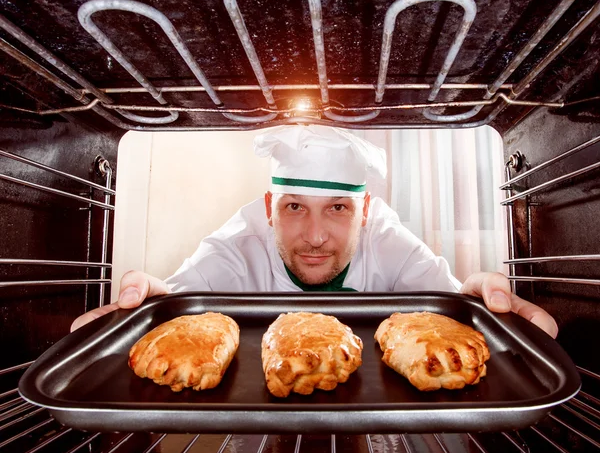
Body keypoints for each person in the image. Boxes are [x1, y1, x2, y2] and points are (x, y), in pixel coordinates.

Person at [71, 125, 558, 338]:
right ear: (268, 207)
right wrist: (148, 308)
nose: (316, 235)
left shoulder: (386, 237)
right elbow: (177, 304)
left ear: (365, 210)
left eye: (339, 208)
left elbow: (448, 304)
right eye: (295, 207)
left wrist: (477, 304)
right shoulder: (237, 244)